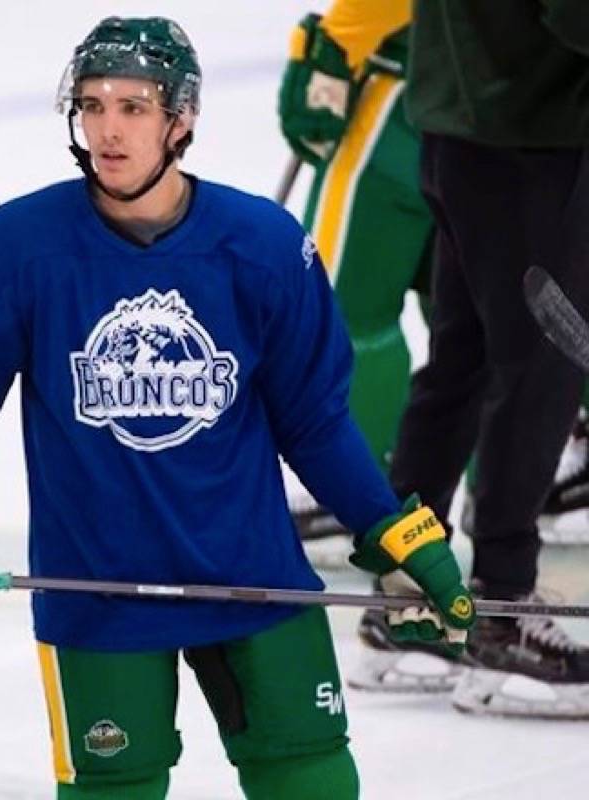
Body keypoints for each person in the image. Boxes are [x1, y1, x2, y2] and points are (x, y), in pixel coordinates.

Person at [0, 17, 473, 800]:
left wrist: (389, 527)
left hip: (255, 580)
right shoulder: (21, 245)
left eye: (133, 106)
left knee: (312, 781)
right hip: (98, 594)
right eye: (92, 105)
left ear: (180, 119)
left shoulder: (261, 244)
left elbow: (316, 421)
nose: (107, 130)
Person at [384, 1, 589, 717]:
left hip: (468, 125)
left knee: (463, 363)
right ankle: (502, 610)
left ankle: (410, 596)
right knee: (540, 366)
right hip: (523, 134)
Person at [276, 1, 466, 694]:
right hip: (517, 110)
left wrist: (333, 50)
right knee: (487, 338)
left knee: (338, 311)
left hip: (404, 103)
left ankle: (353, 475)